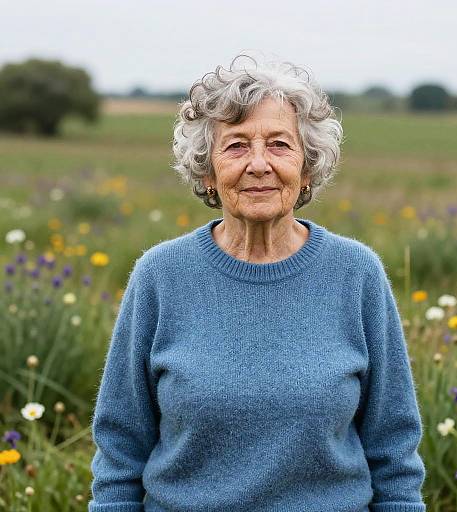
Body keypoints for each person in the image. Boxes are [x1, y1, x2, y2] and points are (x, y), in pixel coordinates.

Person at [88, 53, 427, 512]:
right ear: (207, 172)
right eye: (236, 145)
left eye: (280, 145)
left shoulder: (357, 273)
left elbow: (394, 452)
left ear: (308, 168)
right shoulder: (160, 276)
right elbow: (119, 451)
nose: (259, 164)